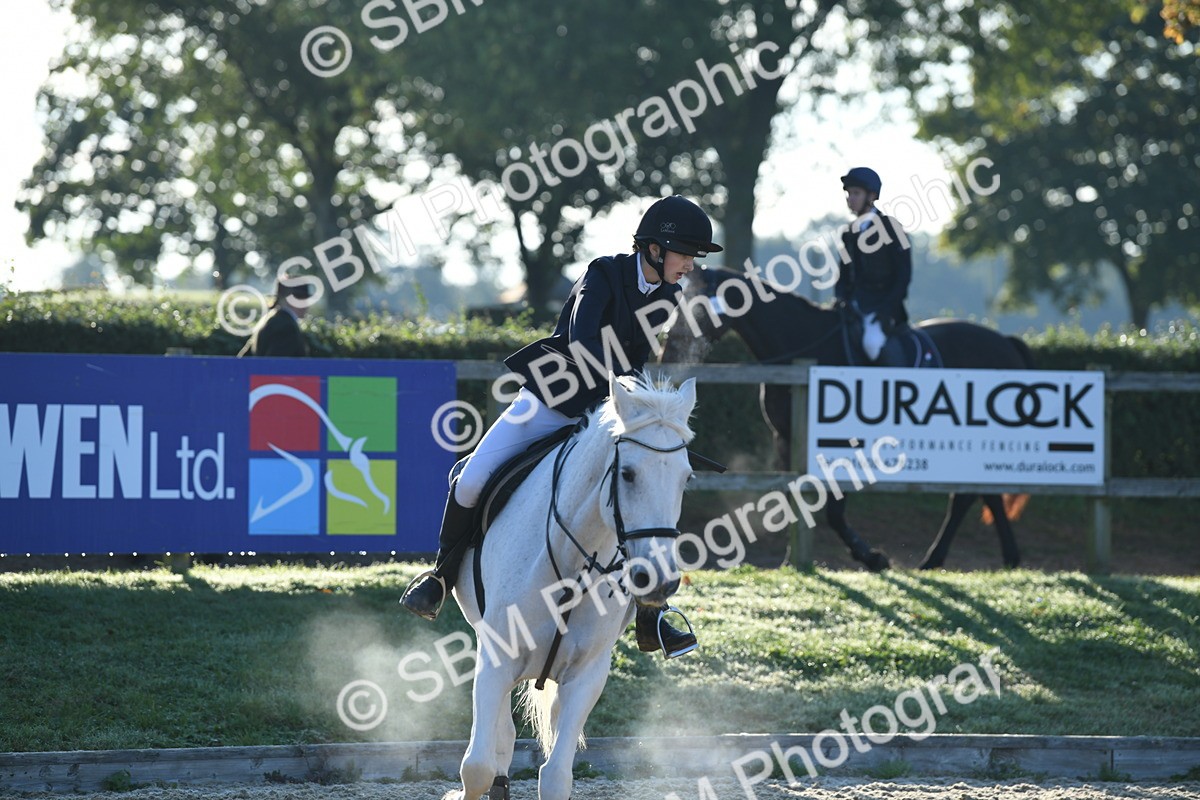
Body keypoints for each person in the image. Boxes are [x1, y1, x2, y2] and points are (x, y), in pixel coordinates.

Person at [400, 195, 722, 659]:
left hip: (607, 414)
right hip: (553, 400)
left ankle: (653, 612)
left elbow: (637, 359)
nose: (690, 264)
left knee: (649, 485)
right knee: (470, 480)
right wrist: (622, 391)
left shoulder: (668, 295)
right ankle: (439, 577)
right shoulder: (603, 273)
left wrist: (641, 408)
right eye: (686, 253)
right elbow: (582, 342)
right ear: (655, 248)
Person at [835, 167, 913, 367]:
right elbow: (843, 275)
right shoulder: (848, 233)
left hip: (881, 308)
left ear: (871, 196)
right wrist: (841, 298)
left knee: (872, 343)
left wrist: (887, 309)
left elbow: (903, 276)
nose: (850, 198)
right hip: (853, 307)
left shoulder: (891, 227)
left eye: (856, 193)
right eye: (849, 193)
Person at [237, 280, 313, 357]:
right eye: (304, 299)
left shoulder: (269, 319)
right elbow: (276, 364)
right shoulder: (287, 327)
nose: (307, 305)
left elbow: (244, 359)